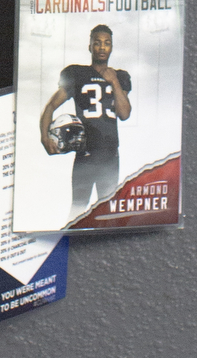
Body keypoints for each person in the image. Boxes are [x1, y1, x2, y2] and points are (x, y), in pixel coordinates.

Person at [40, 23, 132, 216]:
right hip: (85, 156)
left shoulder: (120, 76)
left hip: (110, 156)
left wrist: (113, 81)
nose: (102, 47)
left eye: (107, 43)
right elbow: (50, 106)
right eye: (97, 43)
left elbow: (124, 114)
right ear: (90, 46)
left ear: (111, 47)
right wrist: (44, 137)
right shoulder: (77, 75)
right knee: (77, 211)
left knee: (107, 214)